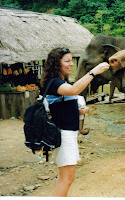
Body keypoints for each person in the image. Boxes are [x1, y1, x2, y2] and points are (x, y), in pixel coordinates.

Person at [40, 47, 110, 197]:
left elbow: (58, 107)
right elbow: (74, 90)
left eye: (72, 60)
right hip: (63, 136)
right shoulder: (54, 82)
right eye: (67, 61)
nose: (71, 64)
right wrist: (93, 72)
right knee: (67, 178)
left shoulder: (59, 82)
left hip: (67, 134)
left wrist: (77, 111)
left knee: (64, 177)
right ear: (56, 64)